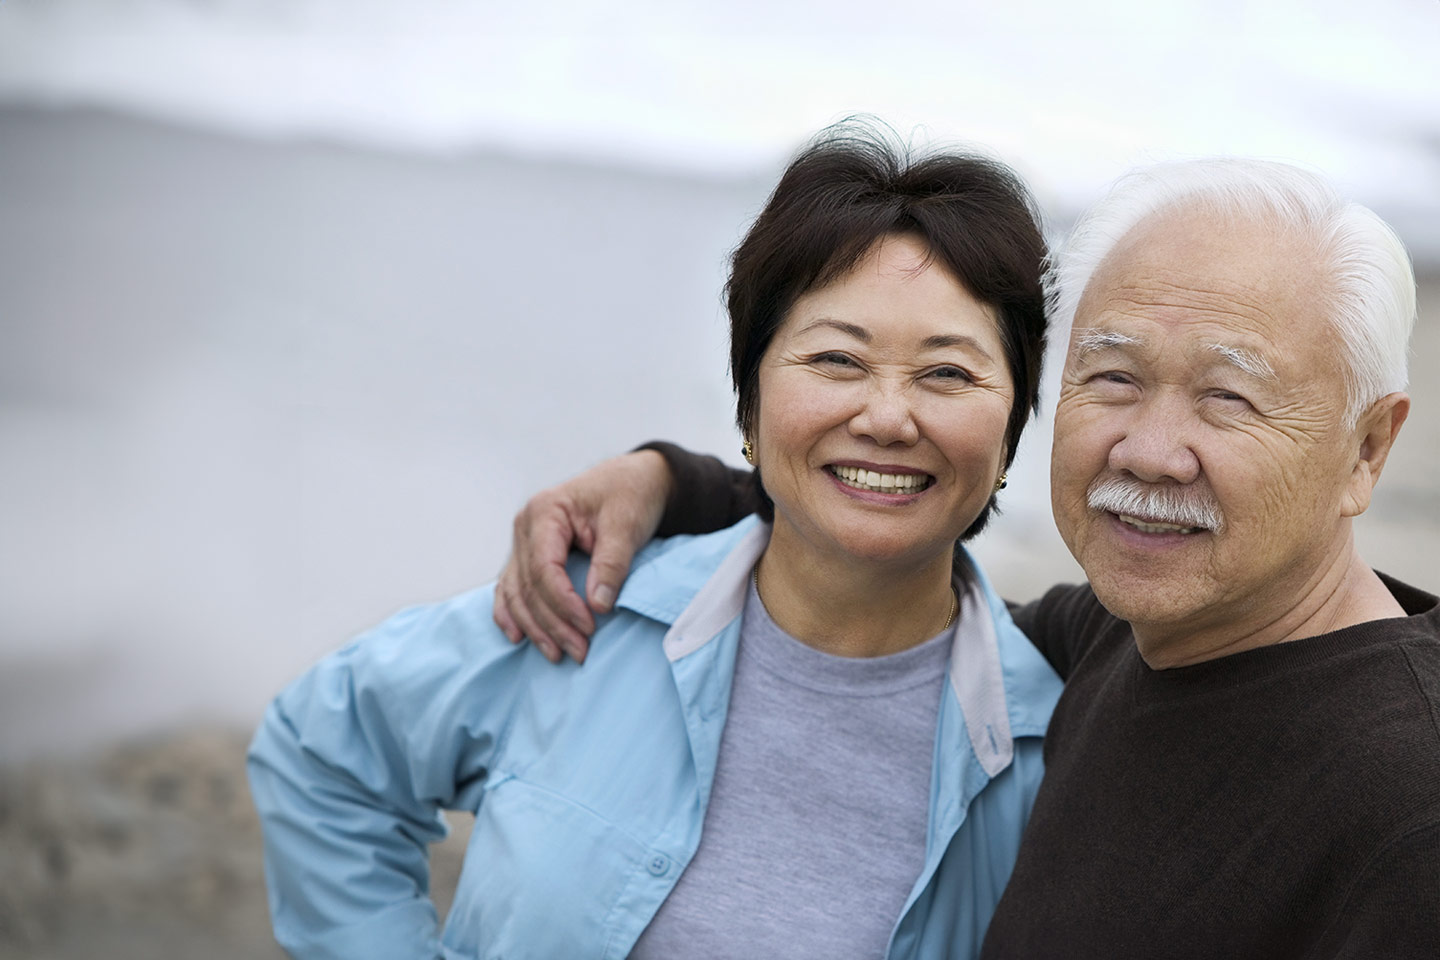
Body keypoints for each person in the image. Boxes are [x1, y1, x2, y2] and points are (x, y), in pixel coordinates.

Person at [496, 158, 1440, 957]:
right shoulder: (1121, 635)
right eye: (1113, 377)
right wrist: (669, 482)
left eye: (1228, 398)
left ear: (1366, 450)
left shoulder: (1405, 804)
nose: (1149, 450)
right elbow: (887, 561)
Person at [247, 124, 1066, 960]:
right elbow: (325, 749)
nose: (888, 418)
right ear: (749, 406)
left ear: (1010, 432)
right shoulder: (585, 611)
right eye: (835, 360)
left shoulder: (1054, 750)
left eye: (948, 374)